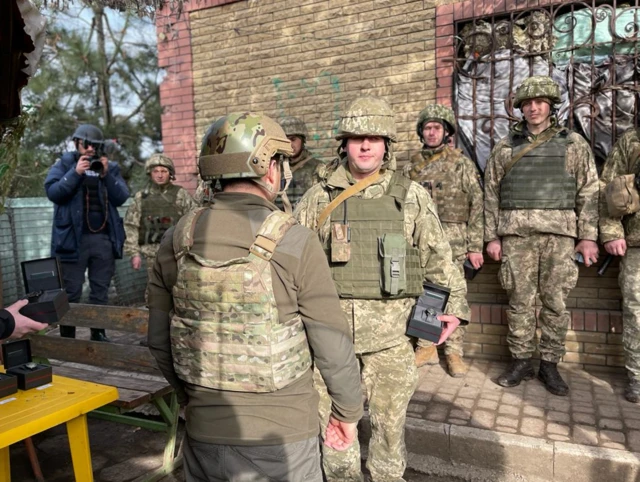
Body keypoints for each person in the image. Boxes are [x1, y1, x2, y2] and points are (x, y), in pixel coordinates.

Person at [147, 112, 363, 481]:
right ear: (271, 169)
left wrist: (193, 401)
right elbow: (332, 342)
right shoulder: (295, 240)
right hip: (282, 443)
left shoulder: (177, 239)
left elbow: (158, 340)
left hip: (203, 437)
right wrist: (346, 414)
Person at [295, 96, 469, 482]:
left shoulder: (410, 196)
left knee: (390, 430)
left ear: (387, 143)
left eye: (375, 137)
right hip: (330, 339)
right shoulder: (317, 197)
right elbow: (292, 261)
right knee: (336, 432)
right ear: (345, 143)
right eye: (358, 137)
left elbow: (440, 257)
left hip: (392, 338)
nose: (366, 146)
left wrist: (453, 309)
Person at [484, 76, 599, 396]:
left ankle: (549, 364)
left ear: (550, 105)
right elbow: (490, 194)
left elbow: (589, 192)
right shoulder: (505, 147)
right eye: (527, 103)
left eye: (539, 102)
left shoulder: (573, 143)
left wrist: (588, 237)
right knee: (519, 302)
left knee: (555, 303)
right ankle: (520, 361)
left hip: (559, 237)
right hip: (516, 237)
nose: (533, 108)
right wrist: (491, 237)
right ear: (520, 108)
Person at [404, 104, 484, 377]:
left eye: (437, 127)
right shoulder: (411, 166)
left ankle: (453, 352)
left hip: (454, 240)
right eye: (427, 128)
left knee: (455, 297)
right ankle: (426, 346)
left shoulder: (461, 164)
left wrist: (475, 246)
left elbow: (477, 206)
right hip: (421, 240)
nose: (432, 132)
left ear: (447, 131)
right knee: (425, 293)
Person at [44, 123, 129, 342]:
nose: (91, 149)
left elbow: (121, 197)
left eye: (95, 145)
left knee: (100, 290)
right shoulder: (64, 164)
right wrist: (75, 173)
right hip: (72, 240)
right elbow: (53, 192)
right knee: (70, 291)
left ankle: (98, 333)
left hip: (103, 239)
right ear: (77, 143)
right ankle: (67, 336)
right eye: (87, 144)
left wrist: (107, 175)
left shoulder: (109, 166)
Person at [599, 127, 640, 403]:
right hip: (638, 242)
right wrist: (612, 232)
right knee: (637, 312)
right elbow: (608, 186)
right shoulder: (632, 139)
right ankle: (638, 376)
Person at [123, 154, 195, 282]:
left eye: (164, 171)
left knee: (179, 289)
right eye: (156, 171)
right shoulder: (141, 198)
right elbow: (131, 226)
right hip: (150, 255)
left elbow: (193, 221)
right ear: (150, 173)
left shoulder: (181, 194)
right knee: (154, 293)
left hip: (176, 253)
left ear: (170, 173)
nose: (160, 175)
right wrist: (134, 254)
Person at [278, 116, 323, 206]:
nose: (289, 144)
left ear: (303, 140)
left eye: (293, 139)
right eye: (285, 140)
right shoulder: (275, 168)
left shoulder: (317, 168)